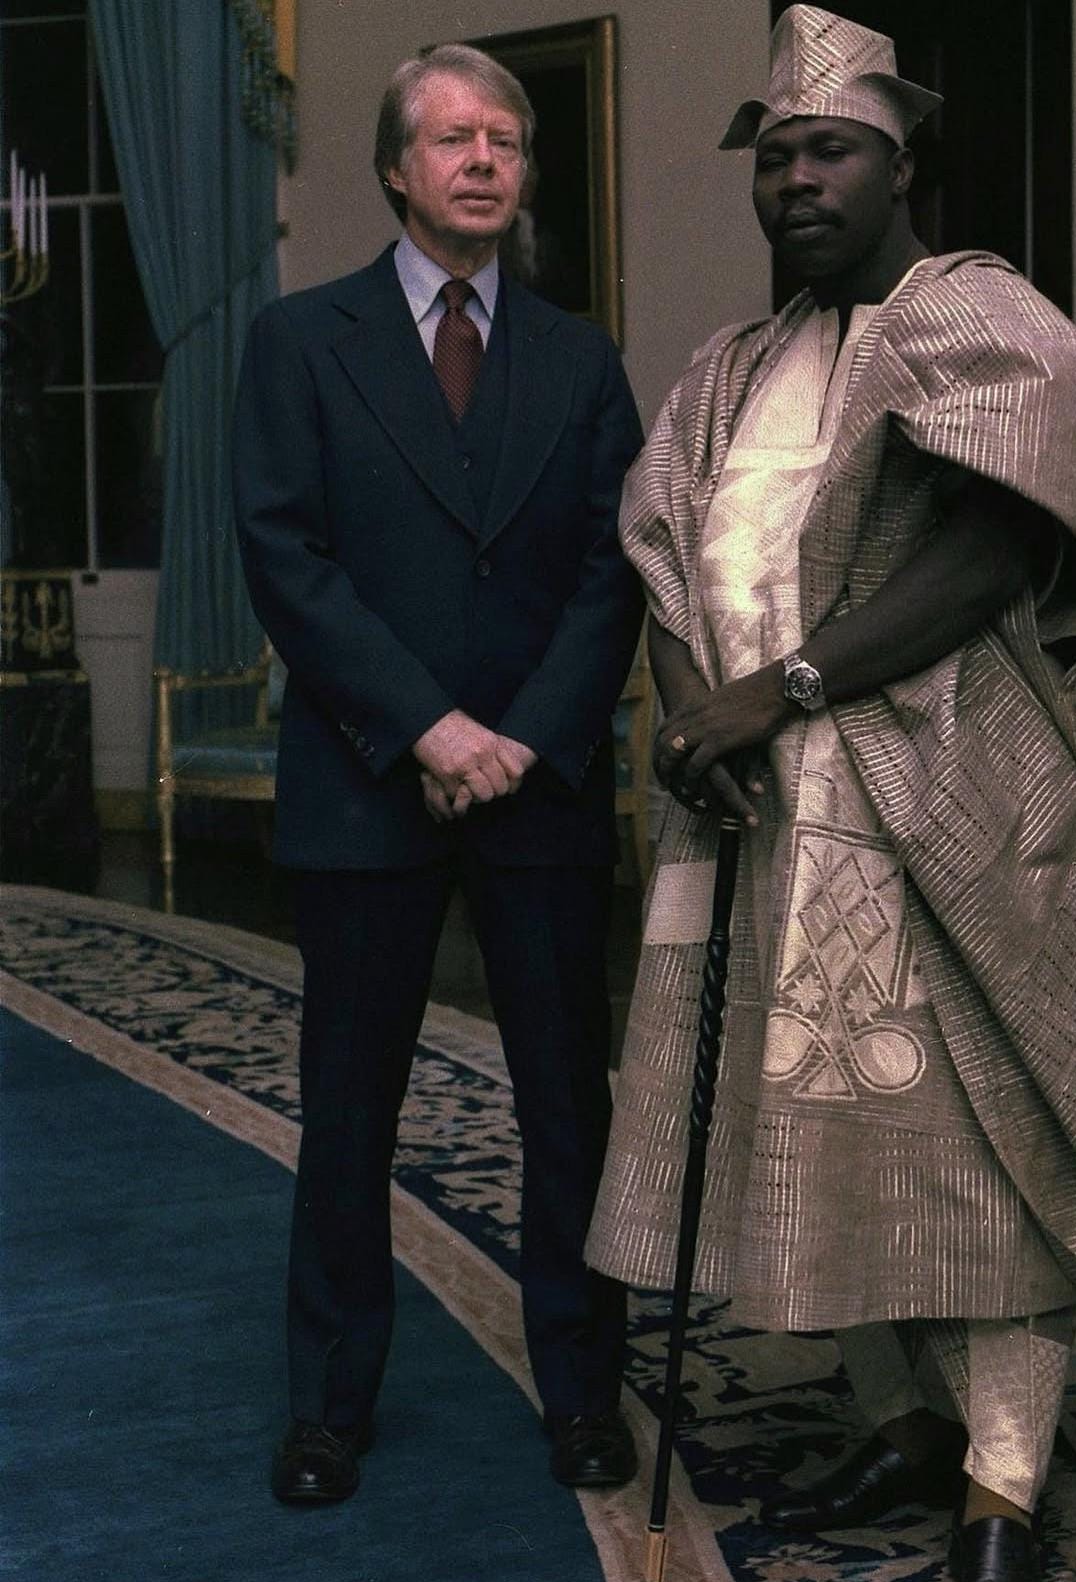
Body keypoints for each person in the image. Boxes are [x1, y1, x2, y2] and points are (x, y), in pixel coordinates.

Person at [584, 8, 1076, 1582]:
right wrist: (701, 707)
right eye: (775, 158)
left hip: (941, 811)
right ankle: (900, 1422)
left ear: (902, 163)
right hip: (759, 823)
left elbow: (989, 556)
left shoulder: (978, 322)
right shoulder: (733, 368)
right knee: (806, 1148)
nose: (798, 182)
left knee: (989, 1152)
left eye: (830, 152)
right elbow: (663, 551)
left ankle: (1002, 1499)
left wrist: (792, 684)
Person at [232, 41, 643, 1505]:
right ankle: (329, 1407)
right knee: (350, 1106)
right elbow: (287, 557)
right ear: (398, 168)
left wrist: (520, 735)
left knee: (564, 1108)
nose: (486, 161)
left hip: (539, 790)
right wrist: (428, 727)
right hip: (366, 786)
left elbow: (614, 572)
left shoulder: (584, 359)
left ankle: (586, 1395)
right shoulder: (300, 343)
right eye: (456, 138)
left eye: (509, 142)